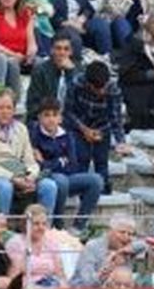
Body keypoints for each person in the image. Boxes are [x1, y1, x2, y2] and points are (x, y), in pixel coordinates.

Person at [0, 89, 53, 215]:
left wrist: (30, 177)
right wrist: (12, 178)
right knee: (4, 187)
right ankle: (1, 225)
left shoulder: (21, 128)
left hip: (20, 172)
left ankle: (44, 225)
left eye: (9, 108)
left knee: (49, 186)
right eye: (1, 108)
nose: (5, 112)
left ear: (14, 110)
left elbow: (30, 161)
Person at [30, 97, 103, 232]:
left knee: (96, 180)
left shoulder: (67, 135)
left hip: (67, 176)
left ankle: (79, 226)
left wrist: (50, 163)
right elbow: (38, 166)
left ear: (60, 118)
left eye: (55, 115)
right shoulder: (34, 134)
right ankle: (58, 225)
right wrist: (60, 161)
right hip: (46, 178)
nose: (51, 119)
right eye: (47, 115)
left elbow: (73, 165)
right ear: (39, 118)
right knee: (61, 180)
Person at [71, 216, 144, 289]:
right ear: (110, 231)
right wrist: (107, 270)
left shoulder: (128, 248)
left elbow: (146, 244)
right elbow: (87, 282)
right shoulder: (92, 247)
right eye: (122, 232)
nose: (126, 237)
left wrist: (122, 251)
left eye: (130, 234)